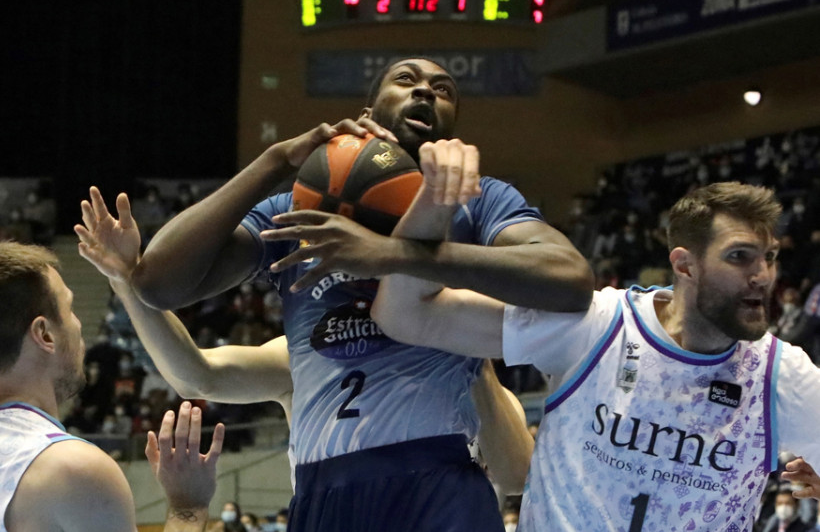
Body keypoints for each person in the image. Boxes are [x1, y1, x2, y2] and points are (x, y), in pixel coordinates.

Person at [129, 57, 591, 531]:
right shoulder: (300, 205)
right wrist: (275, 163)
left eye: (444, 89)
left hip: (436, 476)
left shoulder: (479, 200)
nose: (426, 92)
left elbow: (571, 278)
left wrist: (394, 254)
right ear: (369, 108)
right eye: (407, 80)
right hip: (321, 488)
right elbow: (157, 283)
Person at [372, 181, 820, 531]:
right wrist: (433, 201)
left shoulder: (782, 374)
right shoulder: (595, 323)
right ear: (685, 265)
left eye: (770, 257)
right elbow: (407, 315)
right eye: (740, 257)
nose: (762, 275)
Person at [74, 186, 534, 495]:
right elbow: (198, 377)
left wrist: (468, 351)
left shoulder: (461, 364)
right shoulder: (310, 355)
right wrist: (125, 280)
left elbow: (516, 476)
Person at [0, 241, 225, 531]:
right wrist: (188, 507)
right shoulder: (74, 469)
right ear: (45, 334)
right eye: (69, 307)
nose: (78, 324)